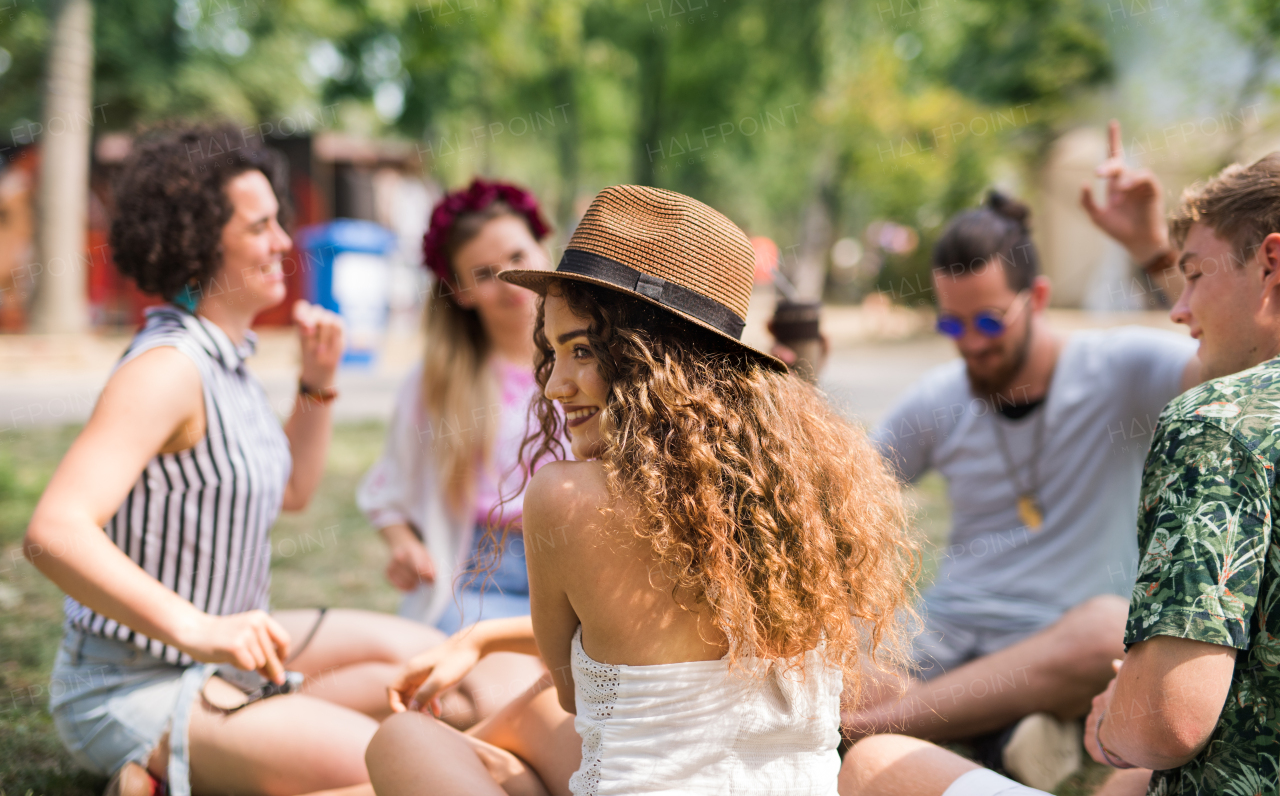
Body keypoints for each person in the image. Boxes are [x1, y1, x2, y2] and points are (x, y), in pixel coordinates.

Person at [365, 184, 919, 796]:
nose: (555, 386)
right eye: (552, 352)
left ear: (655, 358)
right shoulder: (805, 486)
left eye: (581, 350)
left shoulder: (565, 497)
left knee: (404, 738)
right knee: (506, 743)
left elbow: (575, 691)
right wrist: (489, 635)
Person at [23, 126, 473, 796]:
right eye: (261, 227)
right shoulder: (167, 369)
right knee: (413, 771)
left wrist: (317, 385)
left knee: (444, 678)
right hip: (132, 679)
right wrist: (198, 629)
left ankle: (193, 766)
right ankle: (173, 755)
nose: (284, 243)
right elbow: (53, 532)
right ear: (200, 242)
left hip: (229, 654)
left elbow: (291, 491)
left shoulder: (226, 358)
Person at [846, 178, 1202, 789]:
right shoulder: (941, 399)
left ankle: (868, 728)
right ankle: (995, 732)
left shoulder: (1121, 369)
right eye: (953, 328)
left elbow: (1240, 365)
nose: (973, 345)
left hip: (1056, 642)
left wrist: (1152, 246)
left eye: (988, 320)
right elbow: (838, 498)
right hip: (945, 636)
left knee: (1111, 629)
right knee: (821, 639)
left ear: (1037, 296)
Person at [1073, 130, 1280, 794]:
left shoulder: (1219, 425)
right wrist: (1154, 249)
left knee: (878, 767)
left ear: (1272, 263)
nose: (1180, 311)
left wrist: (1111, 723)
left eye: (1193, 275)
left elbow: (1169, 723)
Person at [356, 179, 556, 714]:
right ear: (461, 291)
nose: (510, 281)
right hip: (483, 579)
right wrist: (403, 544)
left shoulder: (600, 362)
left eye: (518, 255)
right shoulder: (438, 383)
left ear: (544, 246)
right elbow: (385, 490)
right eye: (484, 274)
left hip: (580, 573)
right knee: (515, 705)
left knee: (582, 710)